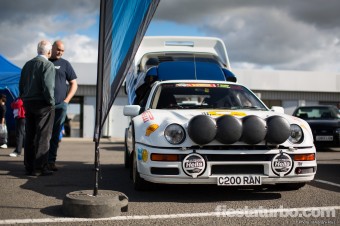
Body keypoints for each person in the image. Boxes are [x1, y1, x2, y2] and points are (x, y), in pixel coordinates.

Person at [19, 40, 56, 176]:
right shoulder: (48, 65)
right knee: (43, 135)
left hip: (28, 102)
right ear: (48, 51)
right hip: (43, 103)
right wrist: (51, 102)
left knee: (30, 134)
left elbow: (21, 84)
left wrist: (24, 98)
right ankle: (40, 167)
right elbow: (48, 87)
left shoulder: (27, 65)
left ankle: (29, 166)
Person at [48, 40, 78, 171]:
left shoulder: (65, 64)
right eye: (58, 49)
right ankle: (39, 161)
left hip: (60, 105)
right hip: (44, 106)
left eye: (62, 50)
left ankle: (50, 161)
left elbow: (74, 83)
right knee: (42, 134)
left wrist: (66, 100)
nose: (60, 52)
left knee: (55, 135)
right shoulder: (45, 62)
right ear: (52, 48)